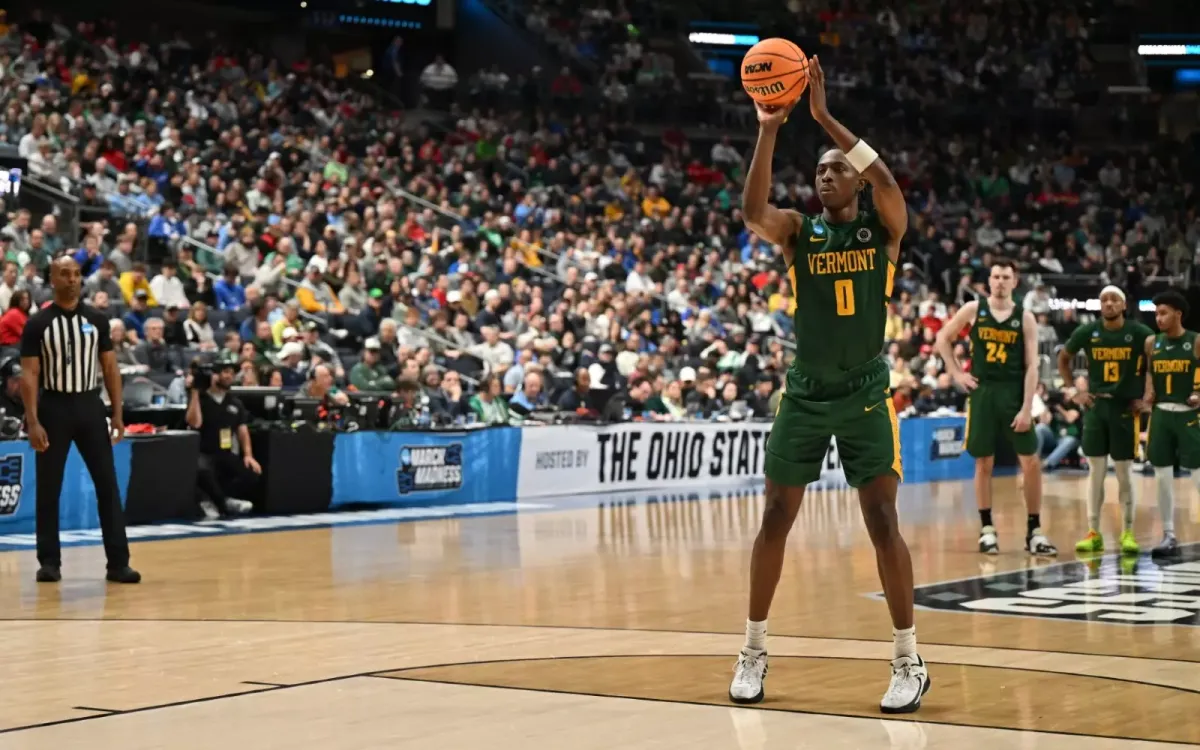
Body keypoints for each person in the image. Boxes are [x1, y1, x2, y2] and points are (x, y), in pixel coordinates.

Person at [730, 57, 929, 714]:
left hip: (868, 392)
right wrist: (770, 128)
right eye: (818, 169)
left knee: (880, 519)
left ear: (857, 181)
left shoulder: (883, 228)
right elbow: (751, 209)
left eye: (836, 167)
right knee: (775, 517)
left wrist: (823, 117)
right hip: (806, 393)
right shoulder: (797, 231)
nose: (825, 175)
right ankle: (753, 648)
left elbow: (890, 178)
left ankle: (908, 658)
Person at [19, 256, 140, 584]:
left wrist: (117, 412)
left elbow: (110, 367)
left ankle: (118, 563)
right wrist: (32, 421)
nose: (72, 279)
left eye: (76, 274)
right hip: (54, 407)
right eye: (64, 274)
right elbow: (29, 375)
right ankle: (49, 562)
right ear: (52, 279)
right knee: (48, 488)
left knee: (107, 485)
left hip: (89, 405)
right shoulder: (38, 323)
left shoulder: (97, 319)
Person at [935, 259, 1056, 558]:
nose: (1000, 281)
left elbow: (1031, 367)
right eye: (996, 276)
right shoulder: (973, 310)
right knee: (983, 463)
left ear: (1015, 282)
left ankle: (1034, 530)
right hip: (983, 392)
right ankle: (987, 528)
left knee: (1031, 462)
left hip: (1014, 393)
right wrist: (957, 374)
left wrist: (1028, 407)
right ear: (989, 281)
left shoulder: (1024, 317)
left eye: (1006, 277)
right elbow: (942, 339)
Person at [1057, 286, 1154, 556]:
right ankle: (1093, 531)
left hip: (1124, 408)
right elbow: (1063, 358)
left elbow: (1156, 362)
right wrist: (1072, 390)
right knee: (1095, 473)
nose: (1108, 303)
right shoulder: (1087, 332)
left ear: (1124, 305)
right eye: (1104, 300)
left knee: (1124, 474)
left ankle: (1128, 532)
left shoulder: (1140, 334)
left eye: (1114, 300)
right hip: (1097, 407)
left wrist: (1147, 397)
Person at [1141, 289, 1200, 559]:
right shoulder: (1153, 342)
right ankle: (1168, 534)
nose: (1159, 318)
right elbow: (1151, 372)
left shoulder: (1196, 341)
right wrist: (1149, 392)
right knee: (1162, 476)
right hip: (1162, 415)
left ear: (1178, 314)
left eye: (1163, 313)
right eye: (1156, 313)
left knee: (1197, 474)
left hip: (1189, 415)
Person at [184, 361, 260, 520]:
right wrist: (196, 392)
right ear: (214, 375)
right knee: (201, 468)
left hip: (224, 451)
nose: (229, 376)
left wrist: (248, 455)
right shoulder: (201, 399)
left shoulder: (235, 402)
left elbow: (242, 429)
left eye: (232, 373)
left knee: (251, 473)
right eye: (225, 372)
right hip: (203, 451)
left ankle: (221, 499)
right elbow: (194, 422)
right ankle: (223, 503)